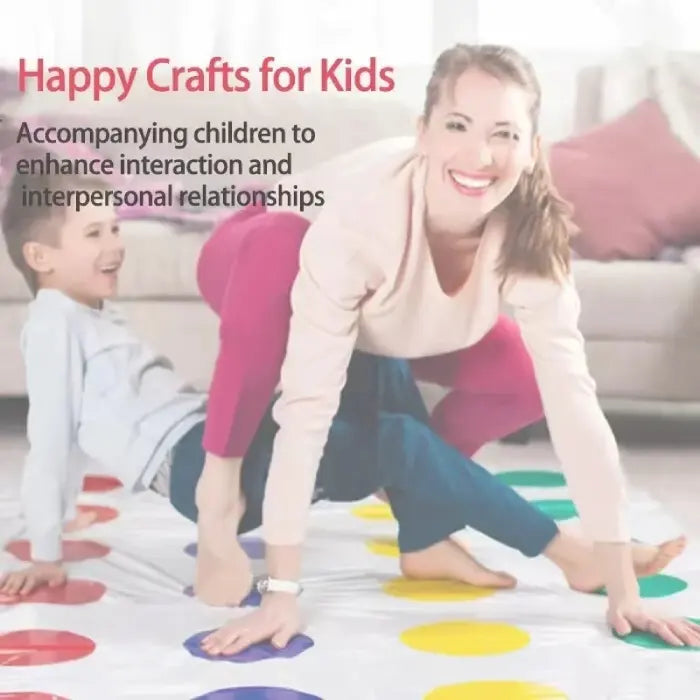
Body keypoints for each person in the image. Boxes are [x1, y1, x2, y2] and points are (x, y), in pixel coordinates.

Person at [195, 43, 700, 654]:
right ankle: (217, 494)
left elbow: (576, 408)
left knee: (522, 374)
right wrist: (281, 590)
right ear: (423, 134)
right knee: (278, 249)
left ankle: (417, 503)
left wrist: (624, 589)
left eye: (504, 134)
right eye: (457, 125)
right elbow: (306, 413)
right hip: (256, 257)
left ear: (532, 148)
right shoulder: (359, 222)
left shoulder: (530, 233)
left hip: (391, 320)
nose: (480, 155)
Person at [0, 170, 682, 621]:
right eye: (95, 234)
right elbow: (51, 437)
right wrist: (47, 549)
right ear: (40, 259)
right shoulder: (55, 323)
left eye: (115, 227)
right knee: (400, 441)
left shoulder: (86, 316)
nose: (116, 244)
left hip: (205, 443)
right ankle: (568, 555)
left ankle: (425, 534)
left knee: (364, 339)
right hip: (196, 472)